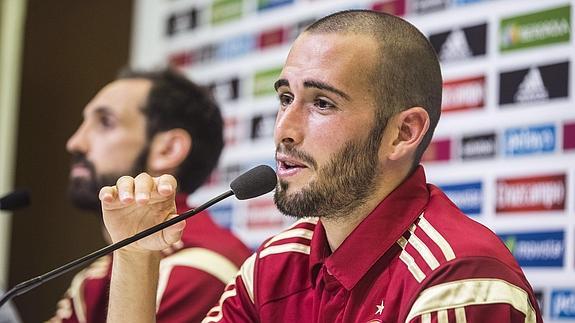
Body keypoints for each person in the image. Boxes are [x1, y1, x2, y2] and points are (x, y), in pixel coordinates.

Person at [99, 10, 543, 323]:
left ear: (403, 133)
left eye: (323, 103)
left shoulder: (459, 280)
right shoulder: (274, 266)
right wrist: (136, 257)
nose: (284, 130)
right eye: (285, 98)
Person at [48, 68, 252, 322]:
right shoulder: (95, 277)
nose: (75, 142)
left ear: (168, 149)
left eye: (105, 123)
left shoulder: (198, 270)